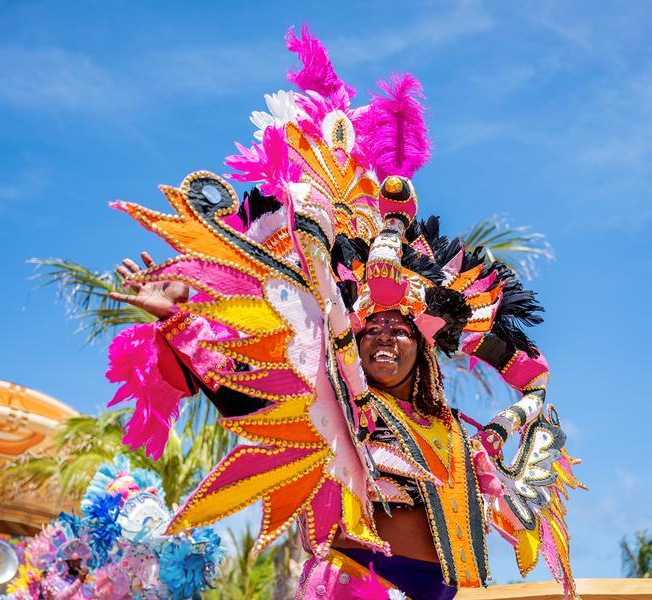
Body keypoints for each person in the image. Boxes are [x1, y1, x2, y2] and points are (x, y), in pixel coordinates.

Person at [105, 25, 583, 599]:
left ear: (423, 348)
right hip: (355, 583)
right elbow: (248, 395)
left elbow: (531, 383)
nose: (382, 337)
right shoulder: (343, 406)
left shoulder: (460, 437)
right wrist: (179, 318)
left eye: (397, 330)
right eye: (371, 329)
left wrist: (517, 420)